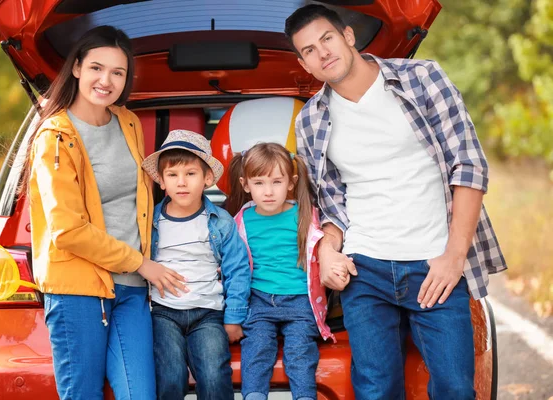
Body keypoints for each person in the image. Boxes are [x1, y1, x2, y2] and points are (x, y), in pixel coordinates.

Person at [285, 5, 507, 399]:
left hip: (434, 264)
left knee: (456, 388)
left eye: (327, 39)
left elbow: (469, 166)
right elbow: (332, 204)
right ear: (305, 65)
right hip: (364, 270)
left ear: (349, 36)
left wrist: (455, 256)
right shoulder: (310, 120)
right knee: (375, 390)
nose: (322, 53)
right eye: (308, 51)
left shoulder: (422, 78)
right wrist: (329, 250)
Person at [23, 26, 187, 400]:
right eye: (97, 68)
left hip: (131, 291)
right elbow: (67, 230)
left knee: (140, 395)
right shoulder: (55, 136)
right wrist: (141, 263)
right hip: (78, 291)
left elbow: (141, 202)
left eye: (118, 72)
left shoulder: (127, 122)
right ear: (77, 67)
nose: (106, 80)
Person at [141, 129, 251, 400]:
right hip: (164, 313)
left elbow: (237, 269)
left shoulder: (220, 221)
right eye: (172, 175)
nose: (182, 183)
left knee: (215, 375)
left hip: (207, 313)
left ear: (207, 179)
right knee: (170, 376)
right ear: (162, 182)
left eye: (190, 174)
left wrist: (234, 317)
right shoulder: (149, 222)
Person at [228, 142, 334, 400]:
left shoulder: (305, 216)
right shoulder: (241, 220)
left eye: (276, 182)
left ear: (291, 182)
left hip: (300, 301)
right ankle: (253, 395)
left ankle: (305, 396)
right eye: (259, 183)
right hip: (259, 300)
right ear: (245, 184)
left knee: (300, 351)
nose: (268, 191)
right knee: (256, 348)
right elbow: (233, 267)